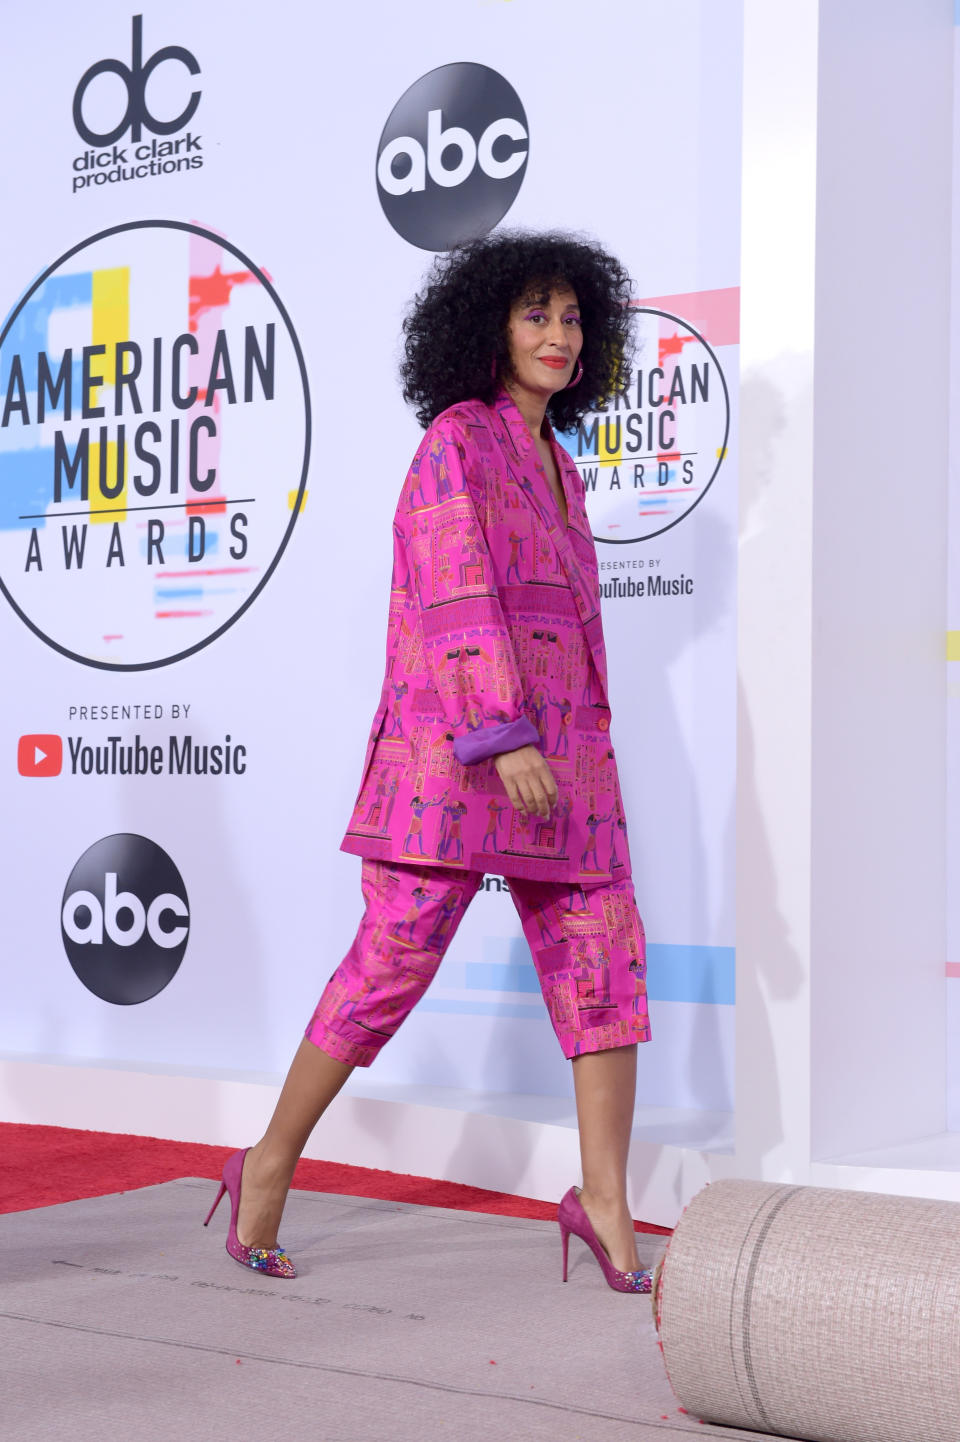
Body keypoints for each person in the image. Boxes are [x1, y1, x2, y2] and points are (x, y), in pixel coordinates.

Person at [204, 232, 653, 1293]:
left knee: (606, 959)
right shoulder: (458, 439)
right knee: (392, 960)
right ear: (489, 325)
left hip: (568, 763)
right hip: (458, 756)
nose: (558, 334)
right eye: (536, 313)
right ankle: (266, 1160)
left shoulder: (564, 466)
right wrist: (501, 732)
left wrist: (568, 746)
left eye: (573, 317)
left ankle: (601, 1199)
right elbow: (454, 587)